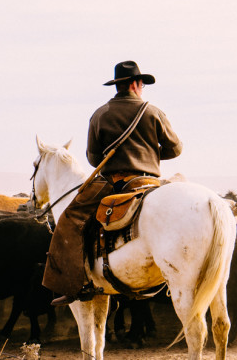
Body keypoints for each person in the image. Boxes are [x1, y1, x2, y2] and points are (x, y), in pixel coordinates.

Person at [44, 60, 183, 306]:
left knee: (70, 219)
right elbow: (175, 148)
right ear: (137, 84)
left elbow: (93, 158)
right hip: (150, 182)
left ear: (118, 85)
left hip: (114, 183)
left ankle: (77, 283)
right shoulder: (153, 111)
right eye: (142, 84)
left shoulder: (100, 114)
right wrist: (148, 154)